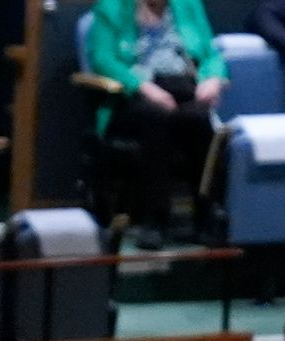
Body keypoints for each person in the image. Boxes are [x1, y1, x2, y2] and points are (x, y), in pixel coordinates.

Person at [82, 0, 227, 238]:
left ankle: (206, 215)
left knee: (199, 117)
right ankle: (154, 219)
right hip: (130, 97)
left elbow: (211, 54)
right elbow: (103, 59)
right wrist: (143, 87)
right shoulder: (111, 8)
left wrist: (212, 78)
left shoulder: (188, 5)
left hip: (181, 88)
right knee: (156, 117)